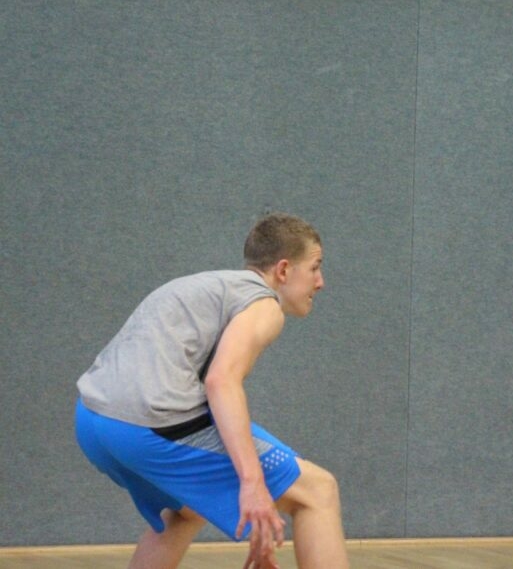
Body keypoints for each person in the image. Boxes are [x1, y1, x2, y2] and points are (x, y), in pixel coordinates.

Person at [75, 213, 350, 569]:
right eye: (315, 268)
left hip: (92, 422)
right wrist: (253, 485)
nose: (321, 282)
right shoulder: (264, 304)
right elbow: (221, 381)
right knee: (317, 491)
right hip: (148, 428)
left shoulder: (209, 286)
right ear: (283, 270)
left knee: (187, 511)